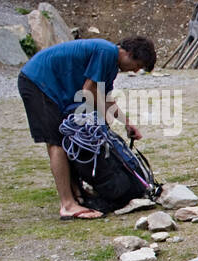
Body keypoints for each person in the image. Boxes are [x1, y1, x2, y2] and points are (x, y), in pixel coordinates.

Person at [18, 36, 157, 219]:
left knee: (68, 139)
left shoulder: (110, 63)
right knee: (57, 142)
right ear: (129, 53)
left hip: (49, 87)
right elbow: (88, 90)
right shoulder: (106, 52)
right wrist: (103, 120)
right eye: (138, 64)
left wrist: (127, 123)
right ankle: (67, 204)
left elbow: (105, 97)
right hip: (38, 83)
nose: (136, 70)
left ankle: (77, 194)